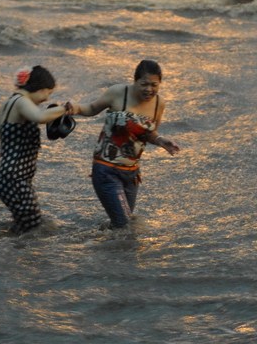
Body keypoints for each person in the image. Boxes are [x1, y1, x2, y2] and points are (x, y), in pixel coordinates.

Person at [74, 59, 180, 228]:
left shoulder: (159, 103)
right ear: (135, 81)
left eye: (154, 85)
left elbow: (148, 134)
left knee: (122, 225)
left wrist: (161, 141)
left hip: (131, 174)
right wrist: (76, 108)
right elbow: (92, 109)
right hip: (106, 170)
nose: (149, 89)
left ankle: (98, 244)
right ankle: (89, 245)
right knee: (124, 225)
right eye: (144, 84)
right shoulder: (118, 92)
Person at [0, 65, 73, 234]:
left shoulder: (9, 102)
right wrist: (66, 108)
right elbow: (40, 117)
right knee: (34, 228)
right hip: (16, 181)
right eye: (48, 93)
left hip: (8, 181)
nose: (46, 99)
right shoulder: (22, 102)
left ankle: (11, 251)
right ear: (41, 88)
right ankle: (17, 256)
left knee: (24, 226)